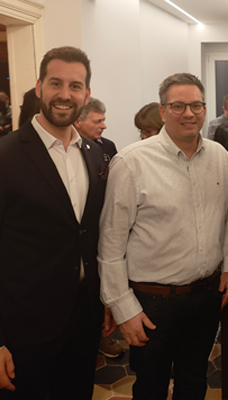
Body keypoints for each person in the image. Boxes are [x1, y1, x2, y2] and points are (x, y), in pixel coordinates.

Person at [98, 72, 228, 400]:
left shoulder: (219, 156)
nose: (189, 113)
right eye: (178, 106)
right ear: (162, 111)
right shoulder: (131, 162)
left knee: (194, 380)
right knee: (151, 386)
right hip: (153, 302)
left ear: (205, 109)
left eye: (196, 105)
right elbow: (110, 243)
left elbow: (227, 214)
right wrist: (123, 307)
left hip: (206, 296)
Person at [0, 46, 112, 399]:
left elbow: (91, 234)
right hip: (23, 327)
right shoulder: (5, 155)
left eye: (75, 86)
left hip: (84, 319)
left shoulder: (94, 154)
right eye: (55, 83)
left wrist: (105, 300)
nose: (65, 94)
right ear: (39, 87)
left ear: (86, 94)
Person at [74, 97, 117, 162]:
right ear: (77, 122)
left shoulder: (108, 146)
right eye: (98, 121)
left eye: (103, 120)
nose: (104, 126)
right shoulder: (68, 147)